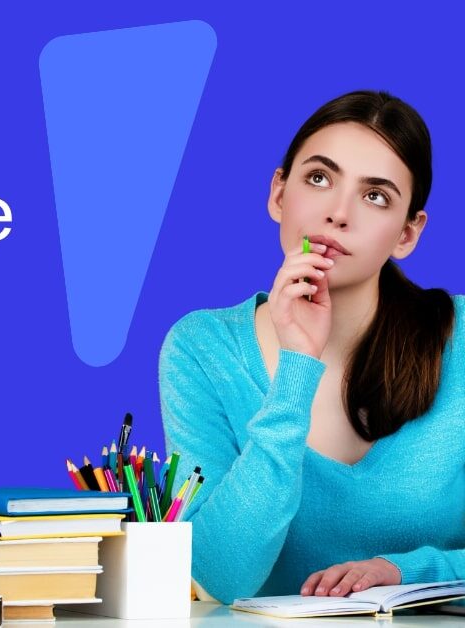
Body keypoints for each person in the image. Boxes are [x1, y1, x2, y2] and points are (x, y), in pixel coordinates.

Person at [159, 90, 465, 604]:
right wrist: (297, 366)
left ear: (408, 234)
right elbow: (216, 575)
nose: (338, 215)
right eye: (319, 179)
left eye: (376, 196)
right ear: (279, 193)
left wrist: (409, 572)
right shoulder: (201, 348)